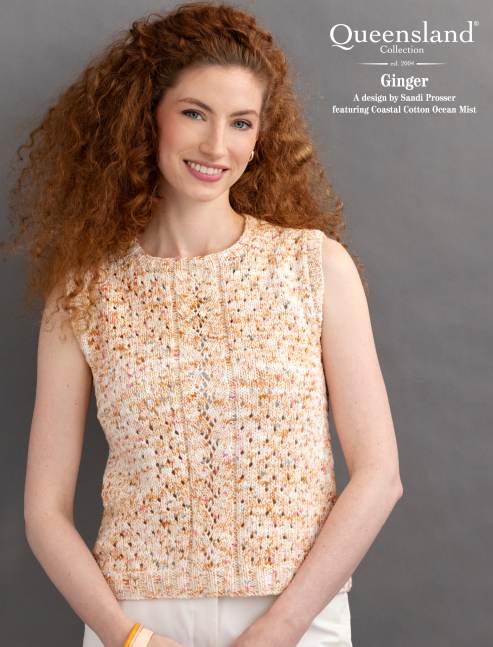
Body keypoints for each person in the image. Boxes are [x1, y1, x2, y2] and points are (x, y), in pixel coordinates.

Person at [16, 2, 403, 646]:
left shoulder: (315, 266)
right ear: (148, 116)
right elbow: (44, 511)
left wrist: (284, 626)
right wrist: (128, 636)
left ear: (260, 137)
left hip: (296, 617)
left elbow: (379, 475)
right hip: (135, 620)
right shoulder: (84, 292)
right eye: (195, 113)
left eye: (241, 122)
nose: (217, 146)